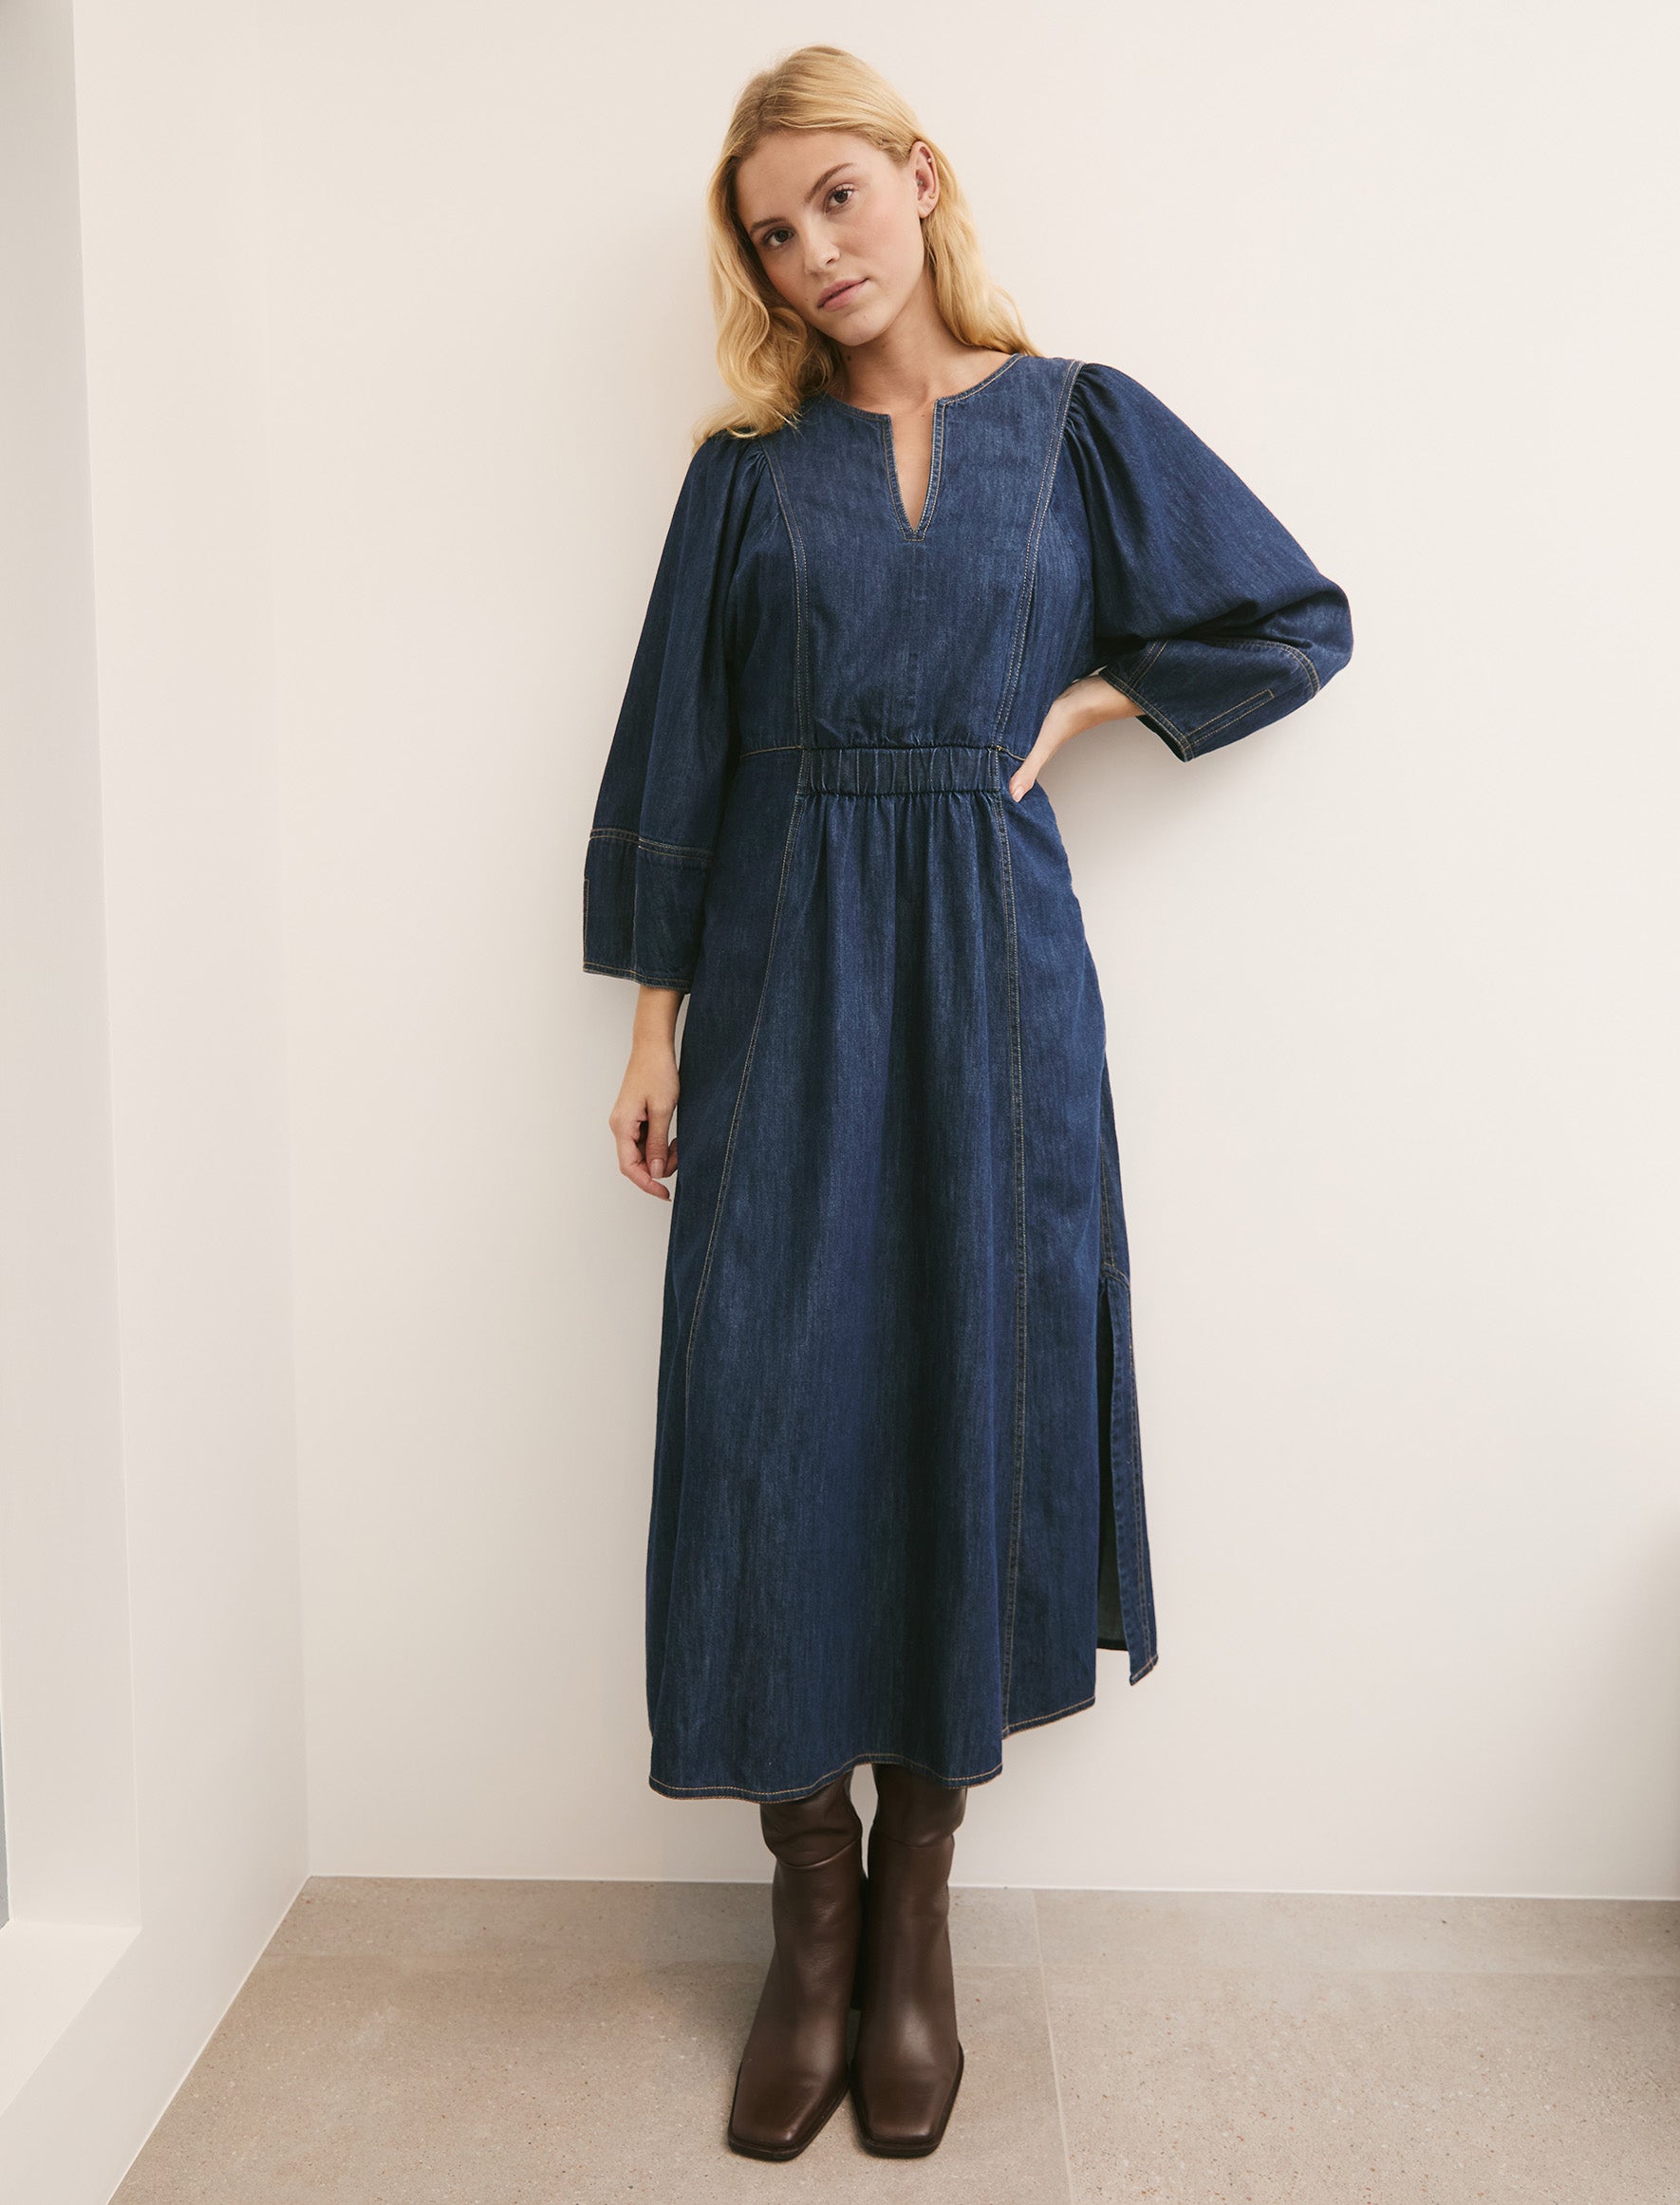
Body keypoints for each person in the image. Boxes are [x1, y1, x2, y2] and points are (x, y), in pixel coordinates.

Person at [583, 43, 1353, 2162]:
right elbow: (673, 750)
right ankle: (808, 1913)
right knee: (764, 1413)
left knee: (967, 1387)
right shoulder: (744, 480)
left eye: (834, 198)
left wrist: (1098, 694)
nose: (811, 253)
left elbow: (1294, 619)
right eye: (772, 233)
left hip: (999, 988)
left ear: (918, 178)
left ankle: (912, 1909)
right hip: (780, 980)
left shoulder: (1079, 425)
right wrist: (650, 1029)